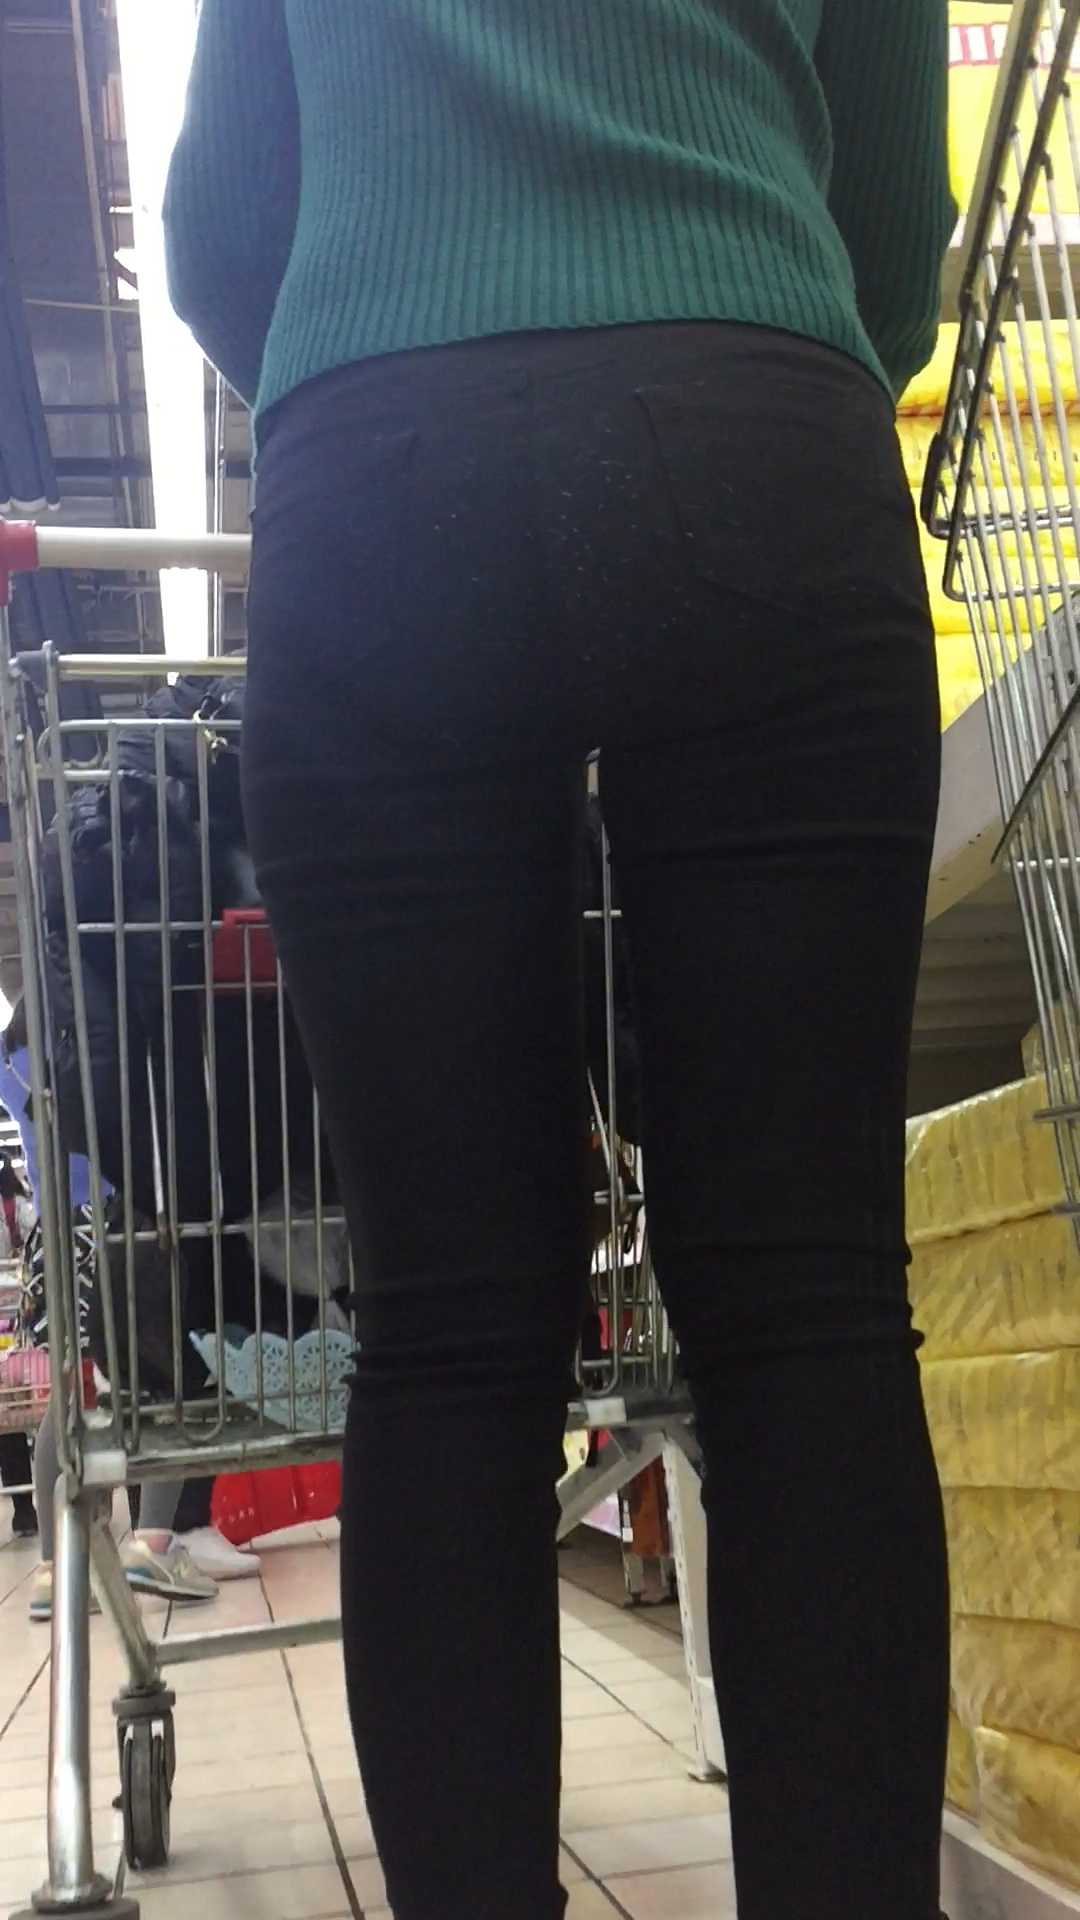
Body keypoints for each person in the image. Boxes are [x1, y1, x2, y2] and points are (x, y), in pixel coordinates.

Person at [165, 4, 955, 1916]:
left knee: (447, 1334)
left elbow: (224, 225)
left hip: (383, 465)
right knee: (809, 1311)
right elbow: (893, 227)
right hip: (756, 416)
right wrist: (723, 326)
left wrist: (396, 371)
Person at [0, 1005, 238, 1612]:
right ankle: (153, 1542)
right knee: (164, 1376)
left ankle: (55, 1569)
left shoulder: (12, 1062)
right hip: (120, 1221)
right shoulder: (100, 1044)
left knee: (67, 1400)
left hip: (57, 1234)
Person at [0, 1152, 39, 1538]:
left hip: (12, 1326)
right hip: (15, 1325)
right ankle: (25, 1510)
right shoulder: (21, 1207)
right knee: (13, 1417)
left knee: (9, 1422)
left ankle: (25, 1509)